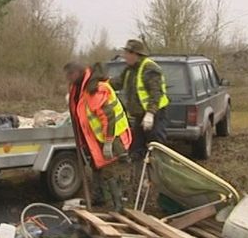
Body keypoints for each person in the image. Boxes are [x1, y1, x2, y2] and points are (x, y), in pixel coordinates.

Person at [64, 62, 132, 211]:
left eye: (70, 75)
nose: (68, 79)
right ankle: (99, 197)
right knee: (96, 166)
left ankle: (119, 204)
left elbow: (108, 117)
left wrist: (108, 142)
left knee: (109, 169)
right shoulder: (79, 88)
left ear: (77, 72)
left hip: (111, 137)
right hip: (95, 137)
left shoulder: (94, 89)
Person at [110, 39, 170, 161]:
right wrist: (98, 83)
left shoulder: (149, 68)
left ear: (135, 54)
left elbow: (156, 93)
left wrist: (150, 114)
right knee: (136, 149)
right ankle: (140, 178)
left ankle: (158, 177)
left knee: (157, 148)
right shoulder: (129, 69)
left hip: (155, 115)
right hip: (139, 116)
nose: (125, 56)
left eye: (127, 53)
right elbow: (117, 83)